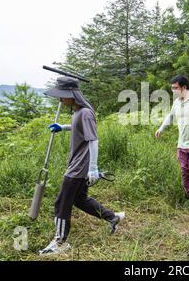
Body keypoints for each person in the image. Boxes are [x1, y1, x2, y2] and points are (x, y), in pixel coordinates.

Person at [39, 76, 125, 255]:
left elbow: (93, 140)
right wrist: (63, 127)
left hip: (80, 167)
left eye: (62, 96)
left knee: (62, 203)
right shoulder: (78, 112)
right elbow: (78, 127)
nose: (60, 100)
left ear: (72, 94)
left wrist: (93, 168)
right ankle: (113, 217)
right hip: (78, 163)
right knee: (79, 199)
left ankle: (60, 242)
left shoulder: (84, 112)